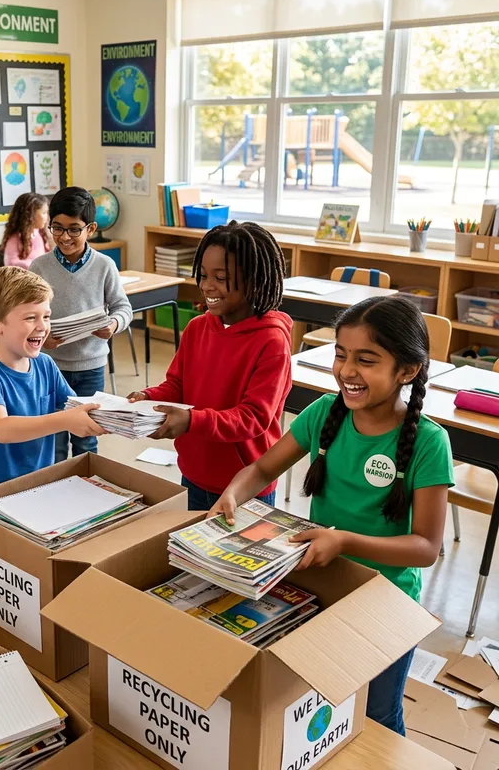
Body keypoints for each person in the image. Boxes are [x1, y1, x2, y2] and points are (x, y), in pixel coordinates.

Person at [210, 296, 454, 735]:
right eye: (340, 355)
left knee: (377, 716)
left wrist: (342, 541)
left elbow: (425, 548)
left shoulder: (429, 443)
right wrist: (233, 492)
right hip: (322, 586)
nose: (346, 370)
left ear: (407, 370)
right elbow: (263, 468)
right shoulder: (325, 413)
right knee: (321, 705)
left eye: (367, 360)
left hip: (386, 602)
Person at [128, 222, 292, 510]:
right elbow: (177, 385)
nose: (206, 286)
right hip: (194, 475)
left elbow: (252, 418)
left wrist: (191, 421)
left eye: (221, 277)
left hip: (247, 486)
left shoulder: (272, 342)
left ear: (253, 281)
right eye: (203, 275)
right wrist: (150, 397)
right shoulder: (197, 328)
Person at [0, 266, 105, 496]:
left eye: (46, 316)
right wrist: (66, 420)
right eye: (30, 318)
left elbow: (76, 407)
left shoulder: (45, 364)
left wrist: (122, 414)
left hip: (36, 489)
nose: (42, 326)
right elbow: (1, 429)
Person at [30, 187, 132, 462]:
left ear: (90, 228)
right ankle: (58, 496)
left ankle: (86, 492)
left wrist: (113, 324)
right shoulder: (39, 267)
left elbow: (123, 307)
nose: (64, 237)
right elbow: (28, 315)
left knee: (87, 437)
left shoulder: (104, 266)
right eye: (57, 228)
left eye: (74, 229)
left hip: (91, 366)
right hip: (51, 367)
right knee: (55, 440)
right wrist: (41, 339)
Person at [0, 192, 53, 270]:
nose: (47, 217)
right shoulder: (15, 238)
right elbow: (11, 263)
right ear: (30, 215)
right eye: (44, 213)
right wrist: (36, 265)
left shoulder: (42, 234)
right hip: (26, 279)